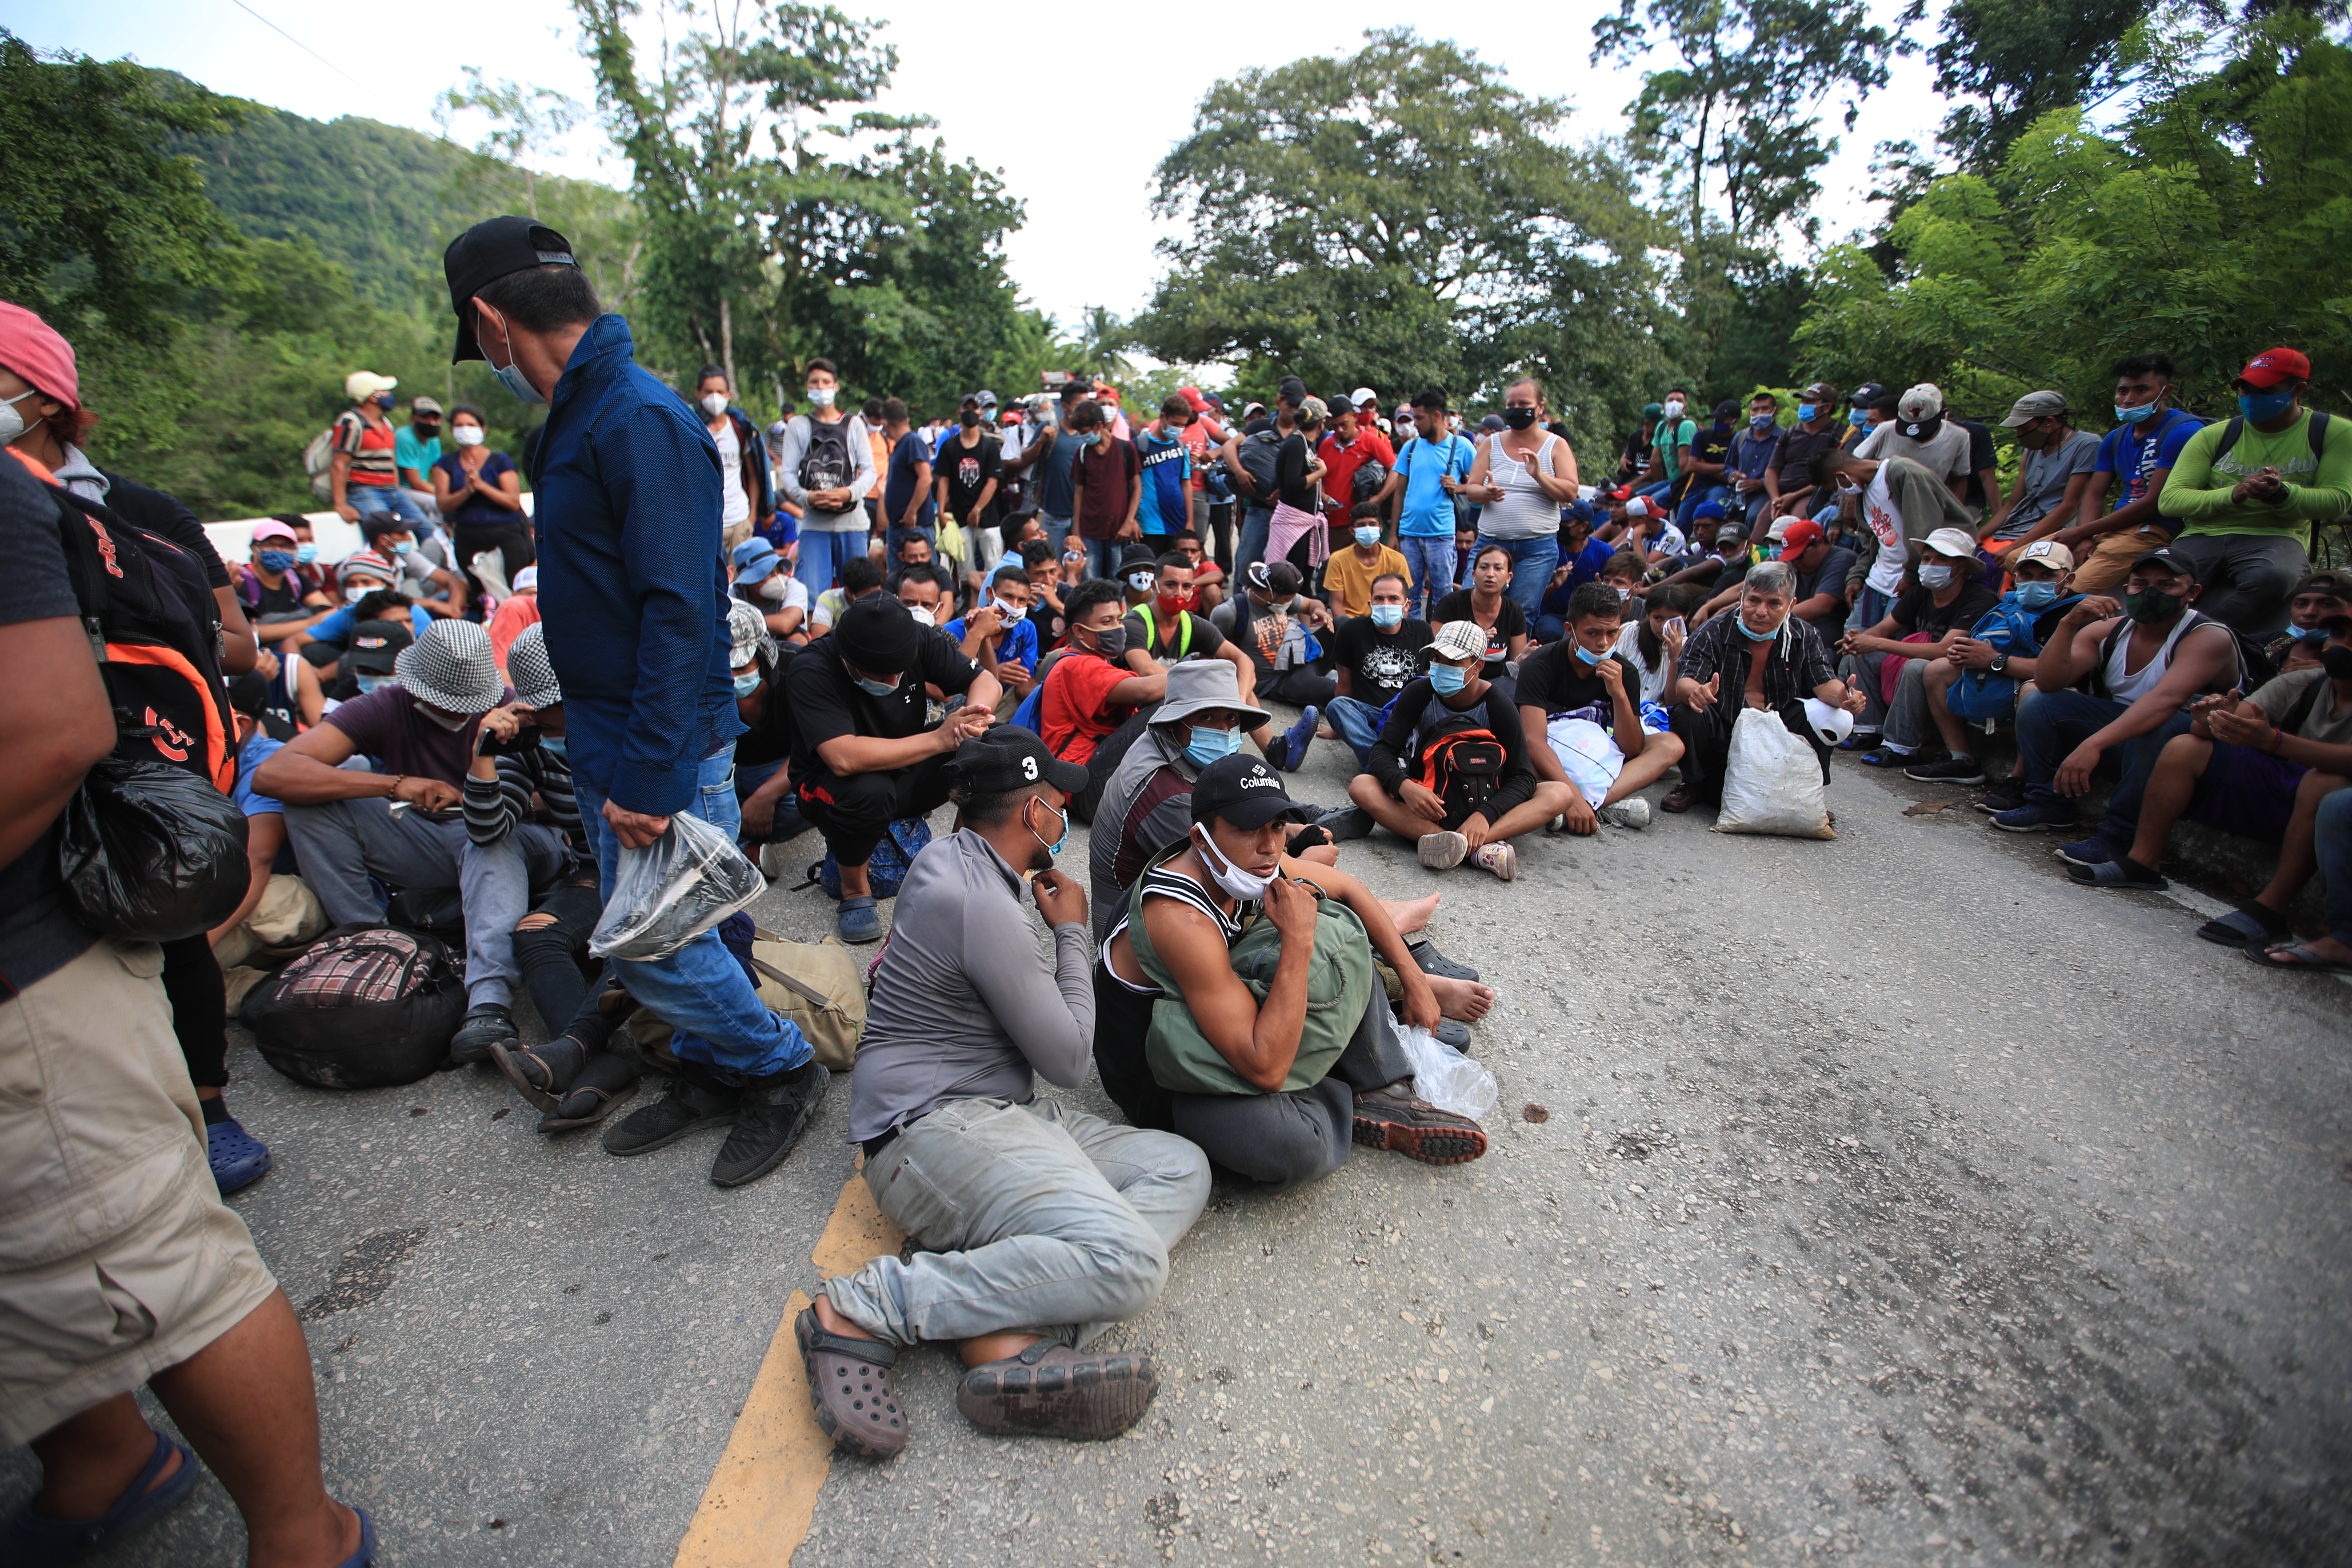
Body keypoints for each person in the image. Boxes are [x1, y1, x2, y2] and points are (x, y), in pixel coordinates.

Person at [0, 448, 371, 1568]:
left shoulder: (22, 511)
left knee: (150, 1256)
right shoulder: (376, 708)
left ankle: (302, 1538)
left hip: (30, 965)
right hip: (127, 908)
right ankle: (96, 1455)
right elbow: (274, 805)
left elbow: (60, 729)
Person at [442, 213, 829, 1188]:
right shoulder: (574, 420)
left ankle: (778, 1070)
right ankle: (710, 1064)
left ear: (491, 319)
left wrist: (652, 773)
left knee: (654, 943)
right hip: (611, 729)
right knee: (683, 925)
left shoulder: (636, 418)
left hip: (658, 737)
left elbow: (680, 611)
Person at [802, 729, 1209, 1456]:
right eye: (1058, 799)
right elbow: (1068, 1056)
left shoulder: (955, 857)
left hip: (1002, 1113)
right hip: (932, 1129)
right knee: (1131, 1263)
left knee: (1179, 1166)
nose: (1065, 809)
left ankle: (1010, 1329)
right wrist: (1074, 933)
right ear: (1031, 813)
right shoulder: (980, 903)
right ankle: (865, 1307)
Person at [1097, 753, 1487, 1189]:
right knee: (1297, 1147)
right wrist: (1299, 941)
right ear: (1201, 839)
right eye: (1248, 829)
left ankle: (1380, 1084)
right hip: (1167, 1075)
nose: (1269, 846)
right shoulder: (1180, 919)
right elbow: (1265, 1069)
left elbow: (1350, 889)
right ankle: (1348, 1076)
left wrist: (1415, 982)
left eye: (1278, 826)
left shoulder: (1243, 863)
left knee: (1339, 926)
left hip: (1219, 1019)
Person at [254, 618, 574, 1051]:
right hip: (429, 838)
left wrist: (482, 781)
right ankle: (370, 943)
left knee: (488, 838)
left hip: (513, 841)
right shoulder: (384, 706)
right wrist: (395, 785)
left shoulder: (518, 714)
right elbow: (275, 774)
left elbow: (548, 805)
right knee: (313, 799)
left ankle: (488, 998)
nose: (458, 712)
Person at [2071, 613, 2352, 897]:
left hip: (2332, 798)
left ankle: (2272, 908)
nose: (2345, 645)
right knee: (2185, 746)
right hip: (2290, 784)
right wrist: (2212, 720)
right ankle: (2142, 861)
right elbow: (2221, 725)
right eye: (2340, 634)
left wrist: (2275, 741)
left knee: (2324, 782)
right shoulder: (2305, 681)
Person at [1989, 547, 2243, 846]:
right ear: (2127, 589)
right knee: (2039, 699)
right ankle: (2049, 804)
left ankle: (2121, 838)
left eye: (2166, 585)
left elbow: (2165, 702)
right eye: (2141, 584)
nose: (2151, 593)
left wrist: (2094, 743)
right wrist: (2068, 624)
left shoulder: (2207, 636)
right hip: (2128, 743)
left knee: (2158, 726)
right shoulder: (2108, 630)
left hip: (2189, 756)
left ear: (2192, 592)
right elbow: (2048, 682)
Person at [787, 592, 998, 941]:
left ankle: (964, 864)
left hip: (905, 764)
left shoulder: (916, 637)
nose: (891, 682)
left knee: (993, 746)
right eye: (879, 675)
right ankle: (855, 893)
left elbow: (986, 681)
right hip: (829, 786)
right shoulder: (811, 668)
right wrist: (939, 740)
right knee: (869, 791)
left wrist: (973, 722)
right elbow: (843, 758)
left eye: (897, 673)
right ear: (847, 659)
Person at [1346, 619, 1575, 877]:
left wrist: (1486, 815)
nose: (1442, 668)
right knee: (1362, 786)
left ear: (1478, 666)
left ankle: (1462, 843)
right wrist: (1404, 786)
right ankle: (1467, 846)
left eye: (1454, 662)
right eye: (1438, 659)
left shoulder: (1499, 705)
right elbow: (1382, 751)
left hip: (1484, 802)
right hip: (1430, 802)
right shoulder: (1420, 692)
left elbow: (1523, 777)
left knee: (1560, 793)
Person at [2157, 346, 2352, 636]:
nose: (2250, 398)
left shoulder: (2334, 433)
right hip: (2203, 535)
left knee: (2273, 578)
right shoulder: (2214, 435)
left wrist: (2283, 493)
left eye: (2264, 390)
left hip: (2276, 537)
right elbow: (2171, 500)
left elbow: (2336, 501)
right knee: (2158, 577)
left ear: (2298, 389)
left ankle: (2200, 636)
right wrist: (2235, 493)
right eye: (2245, 390)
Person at [1662, 561, 1867, 815]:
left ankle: (1808, 792)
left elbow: (1824, 683)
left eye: (1774, 604)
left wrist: (1845, 697)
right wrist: (1697, 691)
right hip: (1725, 729)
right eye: (1754, 601)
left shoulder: (1805, 635)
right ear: (1741, 599)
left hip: (1778, 731)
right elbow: (1686, 681)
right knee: (1688, 712)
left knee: (1837, 716)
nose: (1761, 611)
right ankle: (1694, 784)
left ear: (1791, 606)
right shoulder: (1713, 631)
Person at [1905, 539, 2084, 790]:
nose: (2035, 581)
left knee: (2033, 692)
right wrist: (1966, 655)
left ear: (2069, 579)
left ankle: (2019, 779)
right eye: (2027, 574)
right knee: (1937, 670)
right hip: (2002, 677)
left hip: (2052, 693)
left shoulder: (2078, 612)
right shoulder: (2010, 603)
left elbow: (2062, 676)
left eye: (2047, 575)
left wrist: (1993, 661)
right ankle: (1963, 761)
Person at [1517, 581, 1686, 832]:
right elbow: (1533, 741)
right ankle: (1582, 802)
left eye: (1612, 633)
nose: (1603, 643)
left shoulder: (1624, 672)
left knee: (1671, 745)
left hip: (1593, 757)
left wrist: (1618, 693)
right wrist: (1571, 792)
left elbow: (1631, 749)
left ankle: (1589, 804)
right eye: (1592, 633)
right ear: (1570, 630)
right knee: (1513, 754)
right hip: (1550, 757)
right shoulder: (1540, 665)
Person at [2036, 353, 2203, 595]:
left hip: (2154, 531)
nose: (2128, 399)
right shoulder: (2116, 438)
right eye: (2123, 391)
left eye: (2141, 390)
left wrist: (2082, 532)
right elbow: (2094, 494)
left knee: (2064, 590)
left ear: (2165, 392)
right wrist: (2085, 538)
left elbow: (2153, 503)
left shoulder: (2183, 431)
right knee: (2017, 559)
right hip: (2111, 529)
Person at [1835, 527, 1999, 766]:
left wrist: (1877, 642)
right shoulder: (1921, 593)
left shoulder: (1979, 599)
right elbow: (1883, 630)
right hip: (1923, 663)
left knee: (1916, 667)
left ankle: (1901, 747)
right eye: (1926, 558)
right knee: (1862, 655)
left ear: (1962, 566)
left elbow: (1945, 649)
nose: (1931, 564)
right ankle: (1868, 729)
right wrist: (1858, 641)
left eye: (1942, 559)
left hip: (1960, 671)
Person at [1809, 439, 1979, 637]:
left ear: (1842, 476)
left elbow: (1924, 532)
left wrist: (1910, 576)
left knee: (1890, 652)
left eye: (1833, 488)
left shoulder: (1903, 473)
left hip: (1911, 579)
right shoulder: (1863, 492)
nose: (1839, 494)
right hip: (1878, 580)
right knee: (1853, 646)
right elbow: (1873, 542)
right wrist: (1857, 575)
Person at [1462, 378, 1577, 614]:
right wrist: (1487, 493)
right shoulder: (1492, 443)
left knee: (1521, 613)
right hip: (1491, 542)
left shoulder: (1557, 445)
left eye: (1524, 403)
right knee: (1470, 606)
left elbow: (1570, 493)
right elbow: (1472, 490)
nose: (1517, 410)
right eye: (1511, 405)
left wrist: (1539, 475)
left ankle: (1515, 653)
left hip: (1537, 548)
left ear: (1540, 407)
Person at [776, 357, 879, 604]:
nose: (820, 387)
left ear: (836, 386)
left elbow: (869, 471)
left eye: (826, 382)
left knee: (858, 595)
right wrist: (807, 497)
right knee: (810, 594)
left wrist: (848, 494)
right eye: (814, 382)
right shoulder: (798, 426)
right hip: (814, 524)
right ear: (807, 386)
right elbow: (788, 473)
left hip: (852, 524)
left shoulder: (854, 424)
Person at [722, 600, 811, 877]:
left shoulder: (798, 669)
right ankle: (745, 847)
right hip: (724, 771)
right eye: (727, 669)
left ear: (763, 654)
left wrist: (766, 796)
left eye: (741, 668)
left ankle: (728, 839)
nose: (733, 678)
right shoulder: (705, 679)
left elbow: (815, 746)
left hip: (781, 769)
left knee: (807, 801)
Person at [1041, 579, 1166, 772]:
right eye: (1107, 622)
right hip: (1080, 773)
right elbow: (1145, 691)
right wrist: (1197, 677)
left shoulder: (1097, 661)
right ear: (1079, 631)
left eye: (1120, 620)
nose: (1118, 628)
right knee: (1162, 707)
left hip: (1092, 763)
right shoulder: (1076, 665)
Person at [1226, 561, 1336, 764]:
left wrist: (1320, 612)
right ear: (1269, 592)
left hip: (1303, 656)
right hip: (1279, 680)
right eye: (1288, 599)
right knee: (1332, 690)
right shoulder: (1232, 612)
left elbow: (1312, 604)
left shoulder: (1281, 599)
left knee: (1343, 625)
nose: (1291, 603)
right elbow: (1215, 649)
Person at [1981, 391, 2100, 567]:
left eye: (2025, 429)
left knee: (2007, 564)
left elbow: (2069, 505)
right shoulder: (2031, 451)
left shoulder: (2087, 445)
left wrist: (2015, 547)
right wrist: (1977, 537)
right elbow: (2012, 504)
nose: (2020, 435)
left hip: (2058, 528)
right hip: (2017, 526)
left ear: (2049, 422)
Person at [1325, 572, 1431, 767]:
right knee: (1337, 707)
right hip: (1369, 716)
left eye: (1393, 599)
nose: (1386, 604)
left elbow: (1427, 682)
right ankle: (1383, 764)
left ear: (1407, 605)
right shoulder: (1351, 631)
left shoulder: (1422, 631)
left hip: (1407, 713)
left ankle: (1386, 762)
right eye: (1379, 599)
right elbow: (1344, 683)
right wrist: (1339, 727)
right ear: (1370, 604)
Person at [429, 402, 533, 600]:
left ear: (483, 429)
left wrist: (482, 486)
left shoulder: (499, 461)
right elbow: (443, 504)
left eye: (470, 424)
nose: (465, 429)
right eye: (459, 425)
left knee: (513, 592)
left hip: (506, 535)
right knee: (482, 597)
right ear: (452, 430)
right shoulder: (445, 464)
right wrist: (467, 491)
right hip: (468, 536)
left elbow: (512, 501)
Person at [1390, 389, 1475, 618]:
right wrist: (1394, 534)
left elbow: (1481, 484)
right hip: (1409, 534)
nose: (1415, 424)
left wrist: (1458, 487)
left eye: (1419, 418)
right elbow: (1400, 493)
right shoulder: (1411, 448)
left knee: (1443, 596)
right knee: (1410, 595)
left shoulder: (1462, 446)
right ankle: (1413, 643)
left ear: (1436, 416)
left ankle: (1441, 645)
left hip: (1441, 534)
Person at [328, 370, 428, 531]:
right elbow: (339, 464)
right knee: (384, 532)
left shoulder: (386, 424)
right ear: (373, 397)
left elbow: (391, 461)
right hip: (365, 490)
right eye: (385, 391)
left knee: (426, 529)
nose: (389, 395)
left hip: (391, 490)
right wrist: (341, 503)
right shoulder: (350, 423)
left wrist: (396, 488)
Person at [695, 365, 775, 554]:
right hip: (708, 525)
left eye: (720, 392)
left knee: (742, 580)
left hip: (740, 519)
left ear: (729, 394)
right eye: (709, 392)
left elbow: (754, 473)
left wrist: (752, 515)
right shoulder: (693, 431)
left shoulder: (741, 429)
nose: (715, 397)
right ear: (698, 394)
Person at [1431, 542, 1529, 691]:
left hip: (1495, 684)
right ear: (1474, 575)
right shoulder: (1452, 603)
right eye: (1484, 567)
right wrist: (1474, 641)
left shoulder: (1514, 611)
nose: (1490, 574)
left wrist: (1524, 660)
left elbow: (1515, 662)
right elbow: (1435, 651)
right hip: (1453, 679)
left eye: (1498, 568)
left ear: (1509, 577)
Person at [1854, 383, 1973, 502]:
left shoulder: (1958, 437)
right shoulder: (1886, 430)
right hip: (1883, 503)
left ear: (1943, 415)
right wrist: (1852, 499)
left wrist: (1954, 514)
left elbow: (1958, 479)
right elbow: (1854, 465)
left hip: (1927, 504)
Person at [945, 565, 1041, 712]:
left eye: (1021, 600)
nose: (1014, 607)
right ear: (990, 594)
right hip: (965, 702)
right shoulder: (954, 631)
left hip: (1008, 701)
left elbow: (1023, 685)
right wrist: (993, 673)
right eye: (1008, 597)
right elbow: (948, 685)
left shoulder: (1026, 629)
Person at [1761, 382, 1846, 525]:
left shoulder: (1838, 434)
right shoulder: (1790, 433)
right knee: (1757, 527)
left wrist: (1794, 497)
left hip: (1811, 493)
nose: (1804, 405)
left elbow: (1831, 477)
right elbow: (1772, 470)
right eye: (1803, 401)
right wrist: (1776, 499)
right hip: (1781, 494)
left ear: (1827, 408)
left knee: (1793, 525)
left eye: (1810, 402)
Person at [1317, 393, 1396, 537]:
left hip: (1364, 525)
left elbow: (1396, 470)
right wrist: (1323, 496)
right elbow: (1321, 477)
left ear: (1354, 416)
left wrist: (1379, 498)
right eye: (1335, 426)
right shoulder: (1326, 446)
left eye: (1344, 424)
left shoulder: (1372, 441)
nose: (1340, 430)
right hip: (1334, 525)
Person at [1322, 505, 1412, 623]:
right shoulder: (1338, 560)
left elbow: (1403, 602)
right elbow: (1336, 604)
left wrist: (1395, 628)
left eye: (1372, 524)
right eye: (1361, 525)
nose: (1368, 529)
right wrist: (1350, 630)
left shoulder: (1397, 559)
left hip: (1387, 622)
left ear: (1381, 529)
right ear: (1352, 531)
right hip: (1352, 623)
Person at [1611, 582, 1692, 709]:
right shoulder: (1631, 633)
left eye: (1672, 620)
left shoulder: (1688, 647)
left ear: (1685, 618)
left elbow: (1672, 702)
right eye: (1658, 618)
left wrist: (1675, 659)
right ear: (1648, 615)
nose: (1664, 626)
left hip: (1654, 719)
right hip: (1619, 709)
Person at [1134, 395, 1194, 543]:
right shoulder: (1139, 446)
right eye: (1176, 424)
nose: (1179, 429)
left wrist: (1190, 521)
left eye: (1183, 425)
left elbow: (1186, 484)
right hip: (1148, 525)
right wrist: (1131, 520)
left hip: (1177, 523)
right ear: (1163, 417)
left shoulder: (1182, 449)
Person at [732, 535, 810, 642]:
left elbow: (786, 624)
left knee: (797, 639)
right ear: (748, 582)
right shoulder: (732, 594)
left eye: (779, 570)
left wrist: (742, 624)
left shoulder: (795, 587)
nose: (776, 577)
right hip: (749, 646)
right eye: (768, 573)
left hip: (783, 645)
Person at [1726, 392, 1785, 530]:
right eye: (1755, 410)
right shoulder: (1741, 437)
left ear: (1775, 410)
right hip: (1739, 494)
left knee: (1753, 518)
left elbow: (1789, 471)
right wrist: (1733, 474)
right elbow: (1729, 465)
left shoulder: (1784, 437)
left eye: (1765, 409)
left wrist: (1761, 483)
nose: (1760, 414)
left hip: (1767, 494)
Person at [394, 393, 445, 522]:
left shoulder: (434, 441)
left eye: (436, 418)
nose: (432, 423)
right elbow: (415, 482)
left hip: (419, 488)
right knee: (437, 504)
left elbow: (437, 472)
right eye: (425, 418)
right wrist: (444, 495)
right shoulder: (405, 438)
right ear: (413, 418)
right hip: (401, 489)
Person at [810, 553, 885, 638]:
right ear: (849, 591)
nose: (875, 600)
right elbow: (820, 638)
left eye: (878, 593)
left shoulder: (885, 601)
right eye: (868, 596)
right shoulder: (829, 599)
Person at [487, 563, 542, 671]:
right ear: (515, 595)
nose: (535, 599)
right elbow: (499, 669)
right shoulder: (513, 607)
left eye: (541, 594)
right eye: (531, 594)